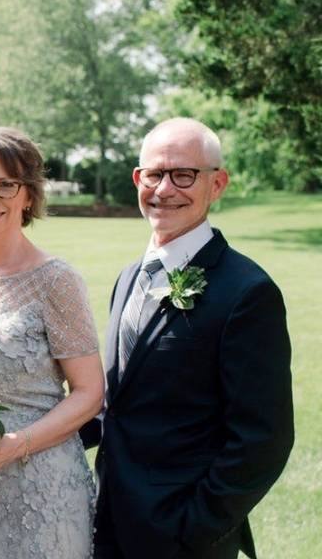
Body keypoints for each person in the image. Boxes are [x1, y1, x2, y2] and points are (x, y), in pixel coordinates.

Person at [84, 118, 294, 559]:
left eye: (184, 175)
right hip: (108, 519)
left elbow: (263, 439)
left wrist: (195, 527)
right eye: (154, 174)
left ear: (216, 184)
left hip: (181, 536)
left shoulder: (247, 291)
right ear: (137, 179)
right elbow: (118, 403)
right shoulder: (129, 277)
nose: (164, 189)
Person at [0, 127, 105, 559]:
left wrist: (13, 446)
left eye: (6, 184)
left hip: (40, 487)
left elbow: (89, 392)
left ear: (28, 195)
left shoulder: (56, 281)